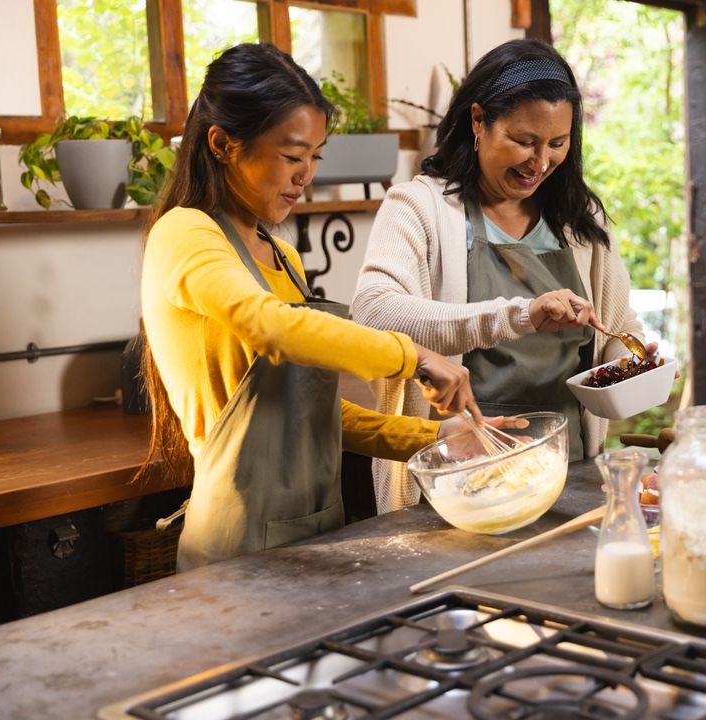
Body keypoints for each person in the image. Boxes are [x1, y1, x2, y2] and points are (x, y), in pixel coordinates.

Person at [138, 43, 483, 571]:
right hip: (236, 547)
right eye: (292, 156)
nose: (306, 176)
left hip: (320, 535)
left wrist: (439, 436)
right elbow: (271, 326)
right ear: (222, 143)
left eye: (315, 158)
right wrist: (412, 354)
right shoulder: (184, 233)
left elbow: (317, 417)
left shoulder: (282, 256)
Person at [352, 38, 654, 514]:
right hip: (452, 482)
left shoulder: (577, 220)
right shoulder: (420, 208)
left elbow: (617, 328)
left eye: (557, 144)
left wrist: (629, 363)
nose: (540, 163)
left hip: (565, 475)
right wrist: (521, 314)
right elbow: (373, 311)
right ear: (478, 121)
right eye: (524, 141)